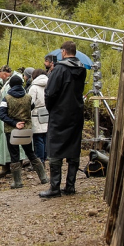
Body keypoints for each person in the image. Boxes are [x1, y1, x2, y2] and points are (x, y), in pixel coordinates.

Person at [40, 41, 87, 198]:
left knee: (55, 149)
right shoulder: (82, 69)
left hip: (60, 114)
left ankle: (54, 187)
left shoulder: (60, 69)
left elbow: (50, 92)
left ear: (64, 52)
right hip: (76, 113)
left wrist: (51, 108)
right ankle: (70, 186)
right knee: (73, 148)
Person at [0, 75, 48, 188]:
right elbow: (31, 107)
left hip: (11, 131)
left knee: (14, 155)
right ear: (21, 84)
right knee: (30, 152)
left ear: (11, 85)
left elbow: (2, 115)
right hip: (26, 129)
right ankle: (43, 177)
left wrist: (14, 123)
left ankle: (18, 182)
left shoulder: (6, 98)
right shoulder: (28, 97)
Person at [0, 65, 24, 177]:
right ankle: (6, 167)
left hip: (13, 118)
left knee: (16, 145)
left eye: (0, 73)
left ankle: (16, 170)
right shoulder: (6, 82)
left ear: (5, 73)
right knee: (7, 144)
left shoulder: (15, 81)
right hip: (7, 118)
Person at [28, 68, 49, 163]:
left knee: (38, 139)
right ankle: (45, 157)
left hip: (36, 114)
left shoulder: (34, 87)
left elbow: (30, 102)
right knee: (45, 137)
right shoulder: (49, 84)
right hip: (47, 112)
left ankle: (39, 161)